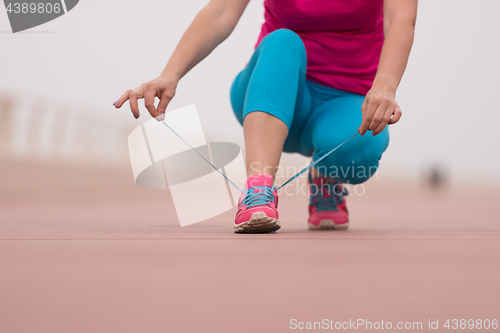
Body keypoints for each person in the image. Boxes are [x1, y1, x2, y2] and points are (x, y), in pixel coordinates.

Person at [114, 0, 418, 233]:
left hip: (344, 100)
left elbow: (399, 19)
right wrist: (170, 75)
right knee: (283, 41)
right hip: (272, 89)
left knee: (360, 152)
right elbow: (220, 13)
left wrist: (384, 87)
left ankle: (326, 178)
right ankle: (257, 189)